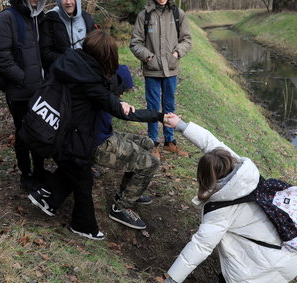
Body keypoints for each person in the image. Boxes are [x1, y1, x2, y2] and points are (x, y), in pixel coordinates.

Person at [162, 114, 297, 283]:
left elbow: (201, 246)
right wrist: (180, 125)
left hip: (279, 254)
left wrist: (170, 281)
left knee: (236, 282)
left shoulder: (222, 208)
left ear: (206, 178)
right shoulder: (238, 168)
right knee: (230, 278)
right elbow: (210, 143)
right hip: (285, 243)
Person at [28, 30, 162, 240]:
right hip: (89, 139)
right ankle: (119, 209)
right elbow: (122, 112)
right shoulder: (93, 84)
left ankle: (49, 197)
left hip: (70, 133)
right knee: (146, 164)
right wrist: (160, 116)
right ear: (106, 59)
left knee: (144, 143)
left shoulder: (72, 65)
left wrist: (116, 100)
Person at [0, 0, 47, 192]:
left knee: (39, 131)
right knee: (23, 135)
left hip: (40, 89)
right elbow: (1, 56)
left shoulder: (39, 17)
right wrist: (22, 79)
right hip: (20, 91)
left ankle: (40, 170)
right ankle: (26, 174)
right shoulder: (7, 18)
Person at [94, 65, 159, 230]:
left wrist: (160, 116)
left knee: (147, 143)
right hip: (98, 144)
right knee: (151, 163)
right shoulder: (101, 95)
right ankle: (120, 207)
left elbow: (130, 114)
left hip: (106, 135)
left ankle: (128, 192)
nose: (122, 95)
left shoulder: (108, 95)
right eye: (122, 90)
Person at [130, 0, 192, 159]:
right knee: (153, 107)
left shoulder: (178, 14)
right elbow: (135, 43)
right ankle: (153, 143)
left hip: (171, 69)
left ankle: (169, 141)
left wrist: (177, 54)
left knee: (169, 105)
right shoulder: (144, 15)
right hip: (152, 71)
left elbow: (186, 39)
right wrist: (149, 57)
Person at [39, 0, 96, 73]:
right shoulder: (50, 20)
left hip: (86, 71)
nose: (68, 2)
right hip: (61, 75)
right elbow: (45, 53)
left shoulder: (86, 18)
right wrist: (70, 61)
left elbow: (95, 47)